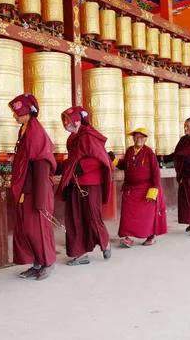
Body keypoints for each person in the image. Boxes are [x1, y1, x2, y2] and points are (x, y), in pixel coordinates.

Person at [8, 93, 57, 281]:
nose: (15, 116)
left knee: (37, 229)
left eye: (18, 112)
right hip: (25, 189)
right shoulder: (25, 130)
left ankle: (48, 262)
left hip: (36, 191)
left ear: (28, 112)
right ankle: (36, 264)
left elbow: (42, 166)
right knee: (26, 229)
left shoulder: (36, 133)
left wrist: (40, 198)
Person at [56, 106, 112, 265]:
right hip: (74, 184)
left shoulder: (89, 136)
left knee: (93, 216)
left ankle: (105, 242)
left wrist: (78, 168)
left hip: (90, 184)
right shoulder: (73, 138)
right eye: (64, 121)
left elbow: (100, 159)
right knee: (74, 218)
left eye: (68, 120)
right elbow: (73, 160)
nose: (66, 124)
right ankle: (80, 254)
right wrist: (58, 166)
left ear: (77, 120)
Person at [109, 128, 167, 247]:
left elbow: (156, 172)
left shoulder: (149, 152)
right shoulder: (130, 150)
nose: (138, 139)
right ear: (133, 138)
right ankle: (128, 237)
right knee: (127, 214)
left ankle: (151, 235)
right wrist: (113, 160)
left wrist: (154, 189)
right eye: (136, 136)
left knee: (146, 215)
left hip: (145, 188)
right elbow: (124, 165)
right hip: (130, 189)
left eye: (141, 137)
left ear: (145, 139)